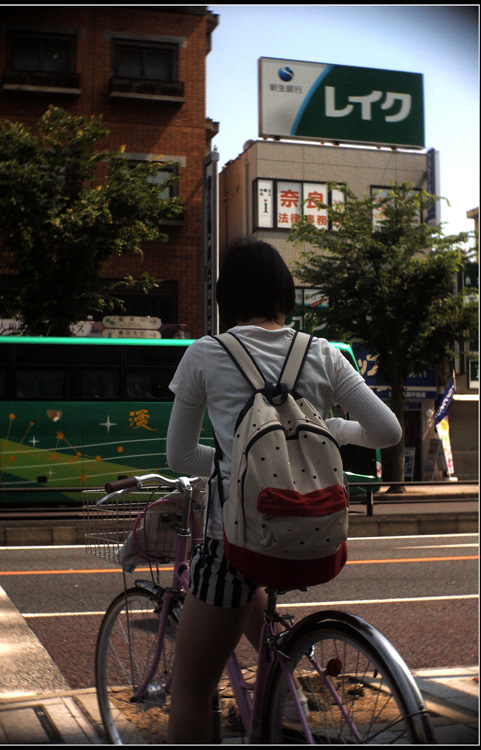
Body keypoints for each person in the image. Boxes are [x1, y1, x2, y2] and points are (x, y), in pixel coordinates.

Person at [165, 237, 402, 743]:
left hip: (233, 546)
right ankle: (285, 703)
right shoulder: (322, 352)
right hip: (317, 537)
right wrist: (335, 431)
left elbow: (181, 458)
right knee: (268, 641)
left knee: (188, 692)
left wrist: (235, 468)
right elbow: (387, 432)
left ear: (225, 298)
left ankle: (276, 709)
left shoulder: (206, 353)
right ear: (285, 295)